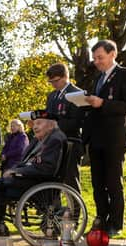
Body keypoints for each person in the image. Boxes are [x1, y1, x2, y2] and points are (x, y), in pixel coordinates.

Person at [0, 111, 65, 239]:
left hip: (38, 184)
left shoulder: (55, 140)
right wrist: (15, 170)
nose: (34, 126)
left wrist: (17, 172)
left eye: (39, 123)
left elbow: (47, 169)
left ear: (51, 125)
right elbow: (25, 162)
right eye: (34, 123)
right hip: (30, 179)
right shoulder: (40, 140)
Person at [83, 40, 126, 237]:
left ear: (113, 54)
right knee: (97, 184)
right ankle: (101, 219)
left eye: (100, 57)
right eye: (94, 58)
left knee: (113, 182)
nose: (96, 62)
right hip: (96, 138)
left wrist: (103, 103)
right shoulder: (98, 79)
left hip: (114, 138)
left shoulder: (125, 74)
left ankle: (116, 223)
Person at [45, 63, 84, 193]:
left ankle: (74, 212)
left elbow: (77, 122)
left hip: (70, 142)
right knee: (53, 179)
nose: (53, 84)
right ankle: (55, 210)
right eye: (51, 82)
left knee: (70, 179)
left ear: (65, 76)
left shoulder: (77, 93)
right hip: (53, 143)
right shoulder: (51, 96)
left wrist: (55, 125)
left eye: (55, 81)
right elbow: (48, 115)